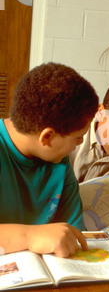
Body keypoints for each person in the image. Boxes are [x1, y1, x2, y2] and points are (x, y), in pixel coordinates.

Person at [0, 62, 99, 258]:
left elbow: (74, 231)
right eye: (78, 137)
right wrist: (30, 236)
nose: (78, 145)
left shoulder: (58, 160)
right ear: (47, 137)